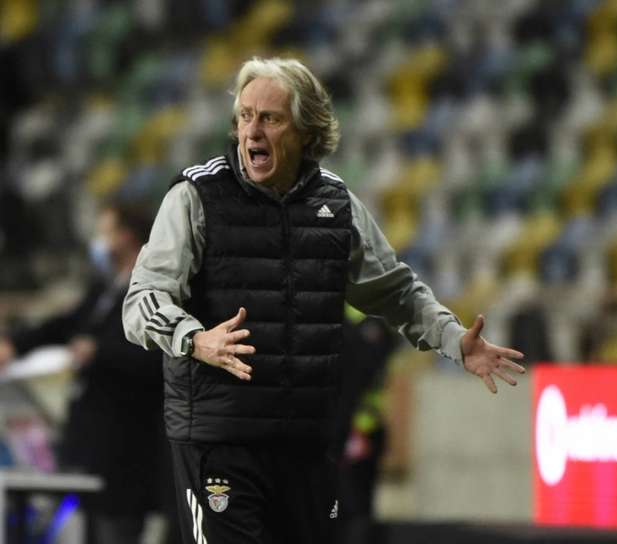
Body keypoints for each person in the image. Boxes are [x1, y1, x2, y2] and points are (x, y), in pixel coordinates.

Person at [122, 56, 526, 544]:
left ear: (306, 131)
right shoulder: (194, 198)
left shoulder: (337, 205)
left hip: (306, 444)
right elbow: (142, 300)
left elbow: (394, 290)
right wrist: (194, 340)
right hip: (219, 439)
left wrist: (455, 340)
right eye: (245, 116)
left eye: (270, 118)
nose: (252, 131)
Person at [0, 201, 179, 544]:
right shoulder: (105, 288)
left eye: (106, 231)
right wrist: (15, 346)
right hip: (92, 446)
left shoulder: (157, 291)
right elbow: (66, 324)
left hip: (127, 451)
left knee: (116, 532)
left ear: (126, 236)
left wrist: (99, 352)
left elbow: (156, 356)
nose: (99, 240)